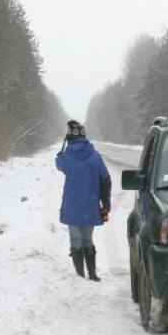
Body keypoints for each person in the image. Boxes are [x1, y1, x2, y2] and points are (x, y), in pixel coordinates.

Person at [55, 120, 111, 281]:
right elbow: (106, 181)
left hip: (72, 206)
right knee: (88, 240)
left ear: (70, 137)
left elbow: (58, 163)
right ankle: (92, 274)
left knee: (75, 240)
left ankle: (80, 276)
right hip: (90, 206)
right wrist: (106, 204)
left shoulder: (66, 157)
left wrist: (65, 145)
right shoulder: (95, 156)